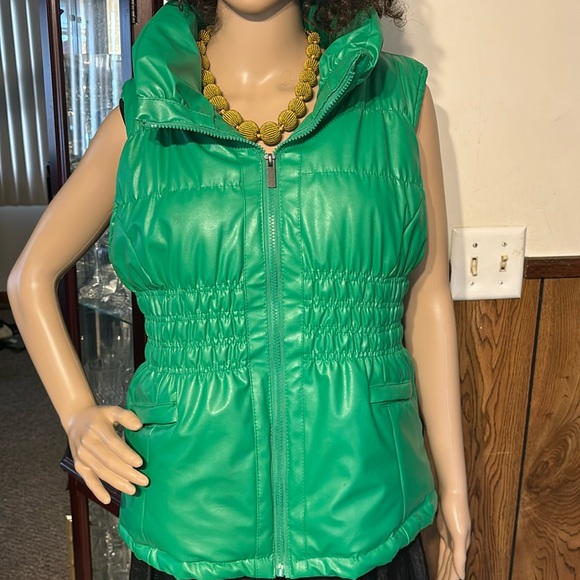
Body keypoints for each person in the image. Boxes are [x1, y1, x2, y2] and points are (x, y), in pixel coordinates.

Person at [8, 0, 471, 579]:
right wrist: (77, 415)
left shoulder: (396, 100)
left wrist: (454, 487)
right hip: (191, 520)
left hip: (366, 509)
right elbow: (29, 277)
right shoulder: (146, 113)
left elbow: (428, 294)